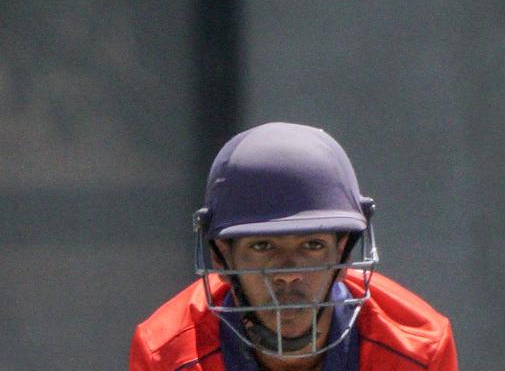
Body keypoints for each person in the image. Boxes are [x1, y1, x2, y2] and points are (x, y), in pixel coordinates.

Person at [130, 122, 459, 371]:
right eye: (262, 246)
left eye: (312, 245)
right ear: (221, 256)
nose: (289, 273)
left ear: (342, 253)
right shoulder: (168, 354)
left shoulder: (416, 350)